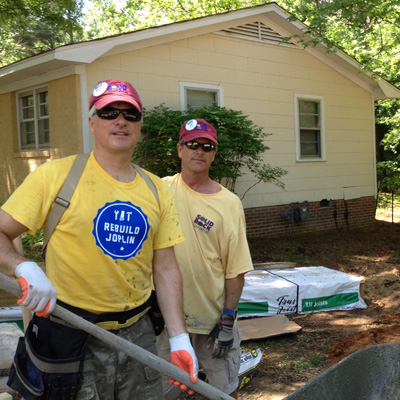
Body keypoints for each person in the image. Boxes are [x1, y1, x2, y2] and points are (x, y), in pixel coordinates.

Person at [0, 79, 198, 399]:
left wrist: (179, 338)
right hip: (71, 337)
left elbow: (166, 268)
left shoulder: (157, 190)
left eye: (130, 114)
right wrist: (22, 266)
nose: (120, 120)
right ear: (92, 123)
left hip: (139, 336)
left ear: (139, 126)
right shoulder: (56, 176)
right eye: (109, 112)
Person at [161, 118, 254, 399]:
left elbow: (235, 269)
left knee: (224, 392)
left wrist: (227, 319)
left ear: (213, 153)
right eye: (191, 144)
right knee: (162, 393)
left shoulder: (228, 203)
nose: (198, 151)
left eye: (206, 146)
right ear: (180, 149)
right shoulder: (160, 190)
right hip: (166, 319)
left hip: (211, 323)